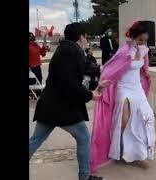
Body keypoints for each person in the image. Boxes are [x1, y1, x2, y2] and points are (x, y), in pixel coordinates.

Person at [29, 23, 109, 180]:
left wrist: (95, 85)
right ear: (81, 37)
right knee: (84, 138)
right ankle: (85, 176)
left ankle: (85, 175)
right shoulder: (71, 52)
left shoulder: (66, 49)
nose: (86, 40)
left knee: (36, 140)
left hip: (50, 105)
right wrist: (89, 95)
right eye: (85, 37)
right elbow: (69, 84)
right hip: (62, 107)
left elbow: (81, 73)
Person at [90, 21, 156, 173]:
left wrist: (147, 75)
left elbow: (144, 67)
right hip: (123, 89)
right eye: (140, 40)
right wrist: (102, 84)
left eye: (145, 40)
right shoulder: (124, 51)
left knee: (147, 117)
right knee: (124, 121)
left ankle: (139, 154)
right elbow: (110, 68)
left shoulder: (144, 50)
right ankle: (120, 152)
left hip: (137, 88)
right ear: (133, 37)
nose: (143, 43)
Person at [29, 32, 46, 97]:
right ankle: (32, 94)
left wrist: (44, 39)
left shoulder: (36, 45)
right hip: (30, 68)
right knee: (32, 82)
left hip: (37, 67)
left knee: (39, 81)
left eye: (32, 35)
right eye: (30, 36)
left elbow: (43, 53)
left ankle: (37, 95)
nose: (32, 36)